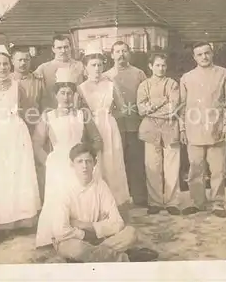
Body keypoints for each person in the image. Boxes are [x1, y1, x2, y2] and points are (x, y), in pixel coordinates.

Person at [0, 45, 41, 243]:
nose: (2, 67)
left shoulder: (16, 86)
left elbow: (30, 111)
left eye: (5, 64)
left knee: (18, 177)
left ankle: (20, 220)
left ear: (10, 65)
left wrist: (40, 131)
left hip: (16, 135)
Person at [51, 143, 158, 263]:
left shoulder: (100, 186)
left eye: (88, 161)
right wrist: (85, 235)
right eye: (79, 162)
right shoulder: (64, 190)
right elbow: (60, 231)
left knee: (130, 233)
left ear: (95, 163)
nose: (84, 166)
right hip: (73, 241)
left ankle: (90, 257)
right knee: (76, 248)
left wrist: (84, 225)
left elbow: (118, 223)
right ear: (72, 165)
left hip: (99, 239)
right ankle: (125, 258)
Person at [33, 67, 103, 249]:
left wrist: (90, 159)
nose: (66, 97)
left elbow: (97, 139)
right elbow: (37, 143)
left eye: (70, 93)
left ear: (74, 95)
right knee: (57, 200)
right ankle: (54, 235)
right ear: (56, 95)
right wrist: (48, 162)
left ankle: (82, 234)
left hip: (79, 162)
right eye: (62, 93)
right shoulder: (47, 116)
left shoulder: (82, 114)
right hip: (57, 164)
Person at [179, 42, 226, 218]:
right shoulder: (187, 78)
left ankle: (218, 203)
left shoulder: (224, 74)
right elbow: (181, 107)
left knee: (218, 169)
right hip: (194, 130)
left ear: (212, 54)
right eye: (199, 54)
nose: (204, 57)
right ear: (194, 57)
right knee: (195, 169)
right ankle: (197, 202)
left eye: (207, 53)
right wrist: (182, 129)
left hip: (217, 129)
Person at [77, 44, 132, 221]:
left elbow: (123, 108)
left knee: (113, 165)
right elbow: (79, 111)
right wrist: (92, 120)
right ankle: (96, 209)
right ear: (85, 67)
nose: (97, 68)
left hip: (109, 127)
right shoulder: (81, 88)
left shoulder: (110, 84)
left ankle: (116, 207)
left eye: (100, 65)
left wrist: (107, 117)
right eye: (93, 65)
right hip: (91, 127)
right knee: (97, 165)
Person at [137, 53, 189, 216]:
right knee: (152, 166)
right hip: (150, 130)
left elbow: (173, 108)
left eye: (163, 65)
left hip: (170, 128)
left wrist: (154, 108)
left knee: (172, 167)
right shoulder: (144, 85)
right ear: (150, 66)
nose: (161, 68)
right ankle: (155, 202)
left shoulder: (172, 84)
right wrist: (162, 101)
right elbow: (141, 109)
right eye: (157, 65)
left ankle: (172, 202)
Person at [103, 41, 148, 207]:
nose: (121, 54)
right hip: (115, 125)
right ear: (112, 54)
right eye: (117, 51)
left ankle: (140, 197)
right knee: (116, 162)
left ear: (129, 53)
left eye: (124, 51)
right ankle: (119, 198)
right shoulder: (106, 75)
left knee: (136, 161)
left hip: (135, 124)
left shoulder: (139, 73)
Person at [10, 45, 46, 201]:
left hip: (35, 128)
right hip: (14, 130)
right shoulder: (7, 80)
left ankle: (40, 203)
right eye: (19, 60)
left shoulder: (38, 81)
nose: (23, 63)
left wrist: (41, 128)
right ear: (12, 61)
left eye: (26, 59)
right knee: (17, 167)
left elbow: (45, 106)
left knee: (38, 165)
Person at [34, 35, 85, 112]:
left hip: (74, 112)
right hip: (52, 112)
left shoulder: (79, 66)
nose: (63, 51)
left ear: (70, 47)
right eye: (59, 48)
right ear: (53, 49)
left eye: (66, 47)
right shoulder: (43, 68)